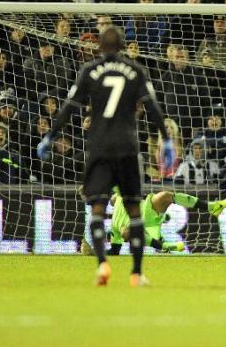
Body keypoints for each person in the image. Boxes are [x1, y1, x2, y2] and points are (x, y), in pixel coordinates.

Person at [37, 26, 173, 287]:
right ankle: (136, 273)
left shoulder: (89, 71)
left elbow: (68, 107)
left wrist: (51, 135)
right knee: (134, 210)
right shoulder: (135, 71)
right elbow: (153, 107)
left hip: (99, 146)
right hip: (127, 147)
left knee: (97, 208)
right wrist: (165, 139)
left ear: (99, 47)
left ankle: (102, 265)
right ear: (122, 46)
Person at [107, 190, 226, 254]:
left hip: (148, 210)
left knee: (165, 195)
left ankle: (213, 207)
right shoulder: (114, 225)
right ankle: (166, 246)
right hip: (144, 227)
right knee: (125, 232)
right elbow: (114, 250)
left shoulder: (120, 194)